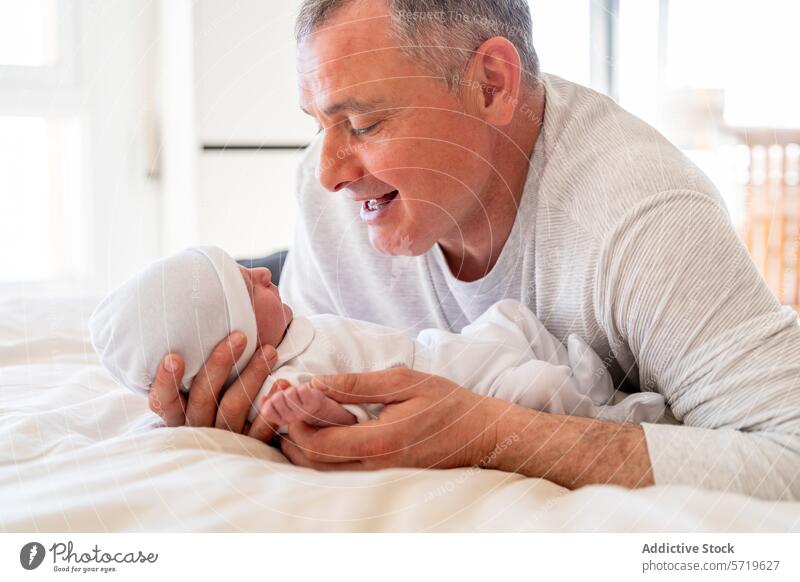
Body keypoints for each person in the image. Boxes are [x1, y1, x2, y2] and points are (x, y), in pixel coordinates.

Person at [148, 0, 800, 499]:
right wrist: (249, 407)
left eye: (365, 123)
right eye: (319, 125)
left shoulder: (643, 216)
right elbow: (308, 355)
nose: (327, 171)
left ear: (491, 84)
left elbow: (789, 453)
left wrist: (492, 434)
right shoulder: (327, 199)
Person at [89, 246, 666, 435]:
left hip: (444, 347)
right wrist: (312, 411)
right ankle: (611, 414)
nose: (266, 275)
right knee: (535, 387)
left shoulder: (287, 329)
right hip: (448, 384)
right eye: (248, 285)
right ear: (231, 344)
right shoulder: (281, 384)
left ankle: (587, 374)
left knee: (510, 319)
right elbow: (342, 421)